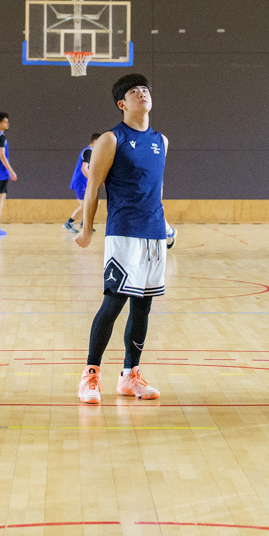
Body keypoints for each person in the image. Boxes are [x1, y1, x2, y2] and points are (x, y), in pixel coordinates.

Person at [74, 74, 167, 405]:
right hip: (123, 232)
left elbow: (156, 189)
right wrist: (87, 228)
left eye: (145, 89)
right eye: (134, 91)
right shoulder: (111, 139)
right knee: (114, 303)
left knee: (143, 306)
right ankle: (91, 374)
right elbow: (93, 187)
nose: (142, 93)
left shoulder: (162, 141)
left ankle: (130, 375)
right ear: (121, 104)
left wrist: (165, 226)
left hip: (154, 234)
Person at [65, 133, 99, 233]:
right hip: (80, 183)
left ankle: (83, 223)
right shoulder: (88, 151)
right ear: (95, 142)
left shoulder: (91, 152)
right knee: (85, 206)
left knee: (94, 202)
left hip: (85, 182)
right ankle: (69, 223)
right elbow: (84, 168)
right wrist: (93, 180)